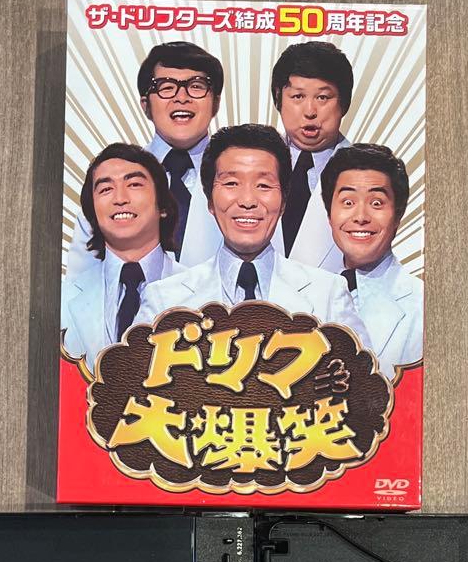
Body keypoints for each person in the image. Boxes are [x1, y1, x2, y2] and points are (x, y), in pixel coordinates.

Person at [136, 124, 367, 339]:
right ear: (209, 200)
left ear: (283, 201)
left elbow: (364, 370)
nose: (247, 201)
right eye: (231, 184)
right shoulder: (164, 299)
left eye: (263, 185)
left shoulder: (329, 294)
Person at [64, 41, 224, 277]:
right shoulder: (110, 179)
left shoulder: (241, 177)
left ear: (216, 103)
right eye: (166, 87)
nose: (182, 97)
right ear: (145, 105)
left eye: (196, 86)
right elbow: (81, 282)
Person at [61, 143, 183, 372]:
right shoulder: (61, 299)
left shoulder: (205, 292)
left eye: (134, 184)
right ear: (92, 212)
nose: (120, 198)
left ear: (163, 206)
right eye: (105, 189)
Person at [320, 143, 424, 377]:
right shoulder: (306, 296)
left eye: (376, 203)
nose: (360, 217)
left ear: (398, 215)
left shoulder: (423, 305)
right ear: (329, 214)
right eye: (348, 202)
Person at [270, 41, 354, 271]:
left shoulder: (369, 174)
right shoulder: (250, 161)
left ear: (344, 103)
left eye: (323, 98)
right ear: (278, 98)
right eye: (297, 96)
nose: (310, 111)